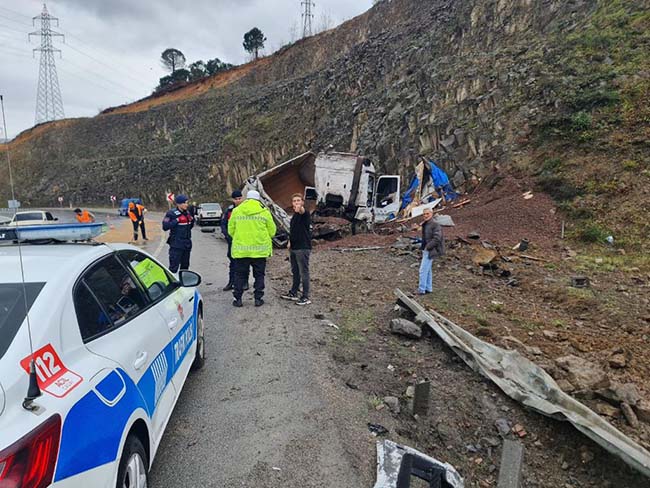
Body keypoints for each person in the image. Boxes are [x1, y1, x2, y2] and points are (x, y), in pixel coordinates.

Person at [228, 190, 276, 307]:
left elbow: (230, 230)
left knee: (239, 275)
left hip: (242, 251)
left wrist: (240, 238)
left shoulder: (237, 211)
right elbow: (272, 231)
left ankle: (238, 299)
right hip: (260, 252)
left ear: (247, 198)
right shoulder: (264, 211)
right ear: (258, 199)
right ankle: (258, 299)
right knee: (259, 275)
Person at [281, 193, 312, 305]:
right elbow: (293, 230)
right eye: (294, 201)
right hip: (294, 247)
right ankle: (294, 292)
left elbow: (302, 211)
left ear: (302, 202)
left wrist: (300, 208)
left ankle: (305, 296)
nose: (296, 203)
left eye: (298, 200)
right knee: (295, 271)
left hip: (303, 248)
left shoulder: (305, 213)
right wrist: (290, 242)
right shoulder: (294, 216)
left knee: (304, 272)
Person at [162, 194, 194, 274]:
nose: (186, 205)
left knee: (185, 267)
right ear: (179, 204)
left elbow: (190, 226)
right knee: (174, 267)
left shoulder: (187, 213)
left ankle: (183, 280)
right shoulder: (171, 213)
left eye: (187, 203)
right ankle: (173, 281)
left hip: (186, 244)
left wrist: (192, 219)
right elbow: (165, 227)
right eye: (184, 203)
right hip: (176, 244)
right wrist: (176, 220)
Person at [220, 190, 245, 291]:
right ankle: (231, 282)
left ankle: (244, 282)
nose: (238, 201)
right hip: (232, 240)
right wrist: (227, 236)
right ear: (233, 200)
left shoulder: (246, 209)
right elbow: (223, 224)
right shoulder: (229, 210)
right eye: (236, 199)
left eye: (240, 198)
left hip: (243, 240)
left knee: (244, 262)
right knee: (232, 262)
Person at [418, 208, 444, 295]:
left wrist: (428, 247)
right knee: (428, 270)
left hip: (431, 250)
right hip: (426, 249)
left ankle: (421, 289)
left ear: (432, 214)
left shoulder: (435, 225)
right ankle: (428, 288)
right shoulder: (425, 224)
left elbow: (437, 238)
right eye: (424, 214)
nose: (425, 216)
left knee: (422, 270)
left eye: (427, 214)